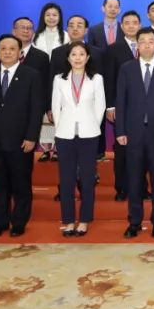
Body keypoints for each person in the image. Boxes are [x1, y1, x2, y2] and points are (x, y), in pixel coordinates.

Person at [0, 34, 45, 238]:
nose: (7, 52)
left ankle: (19, 222)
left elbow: (35, 108)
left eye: (12, 49)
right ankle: (0, 222)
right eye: (3, 49)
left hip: (21, 140)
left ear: (20, 53)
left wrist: (32, 136)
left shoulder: (31, 75)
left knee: (21, 183)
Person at [116, 27, 154, 239]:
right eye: (142, 41)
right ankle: (134, 222)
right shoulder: (127, 68)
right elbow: (121, 102)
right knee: (134, 179)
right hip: (133, 133)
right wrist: (120, 130)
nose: (146, 45)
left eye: (151, 41)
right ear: (137, 45)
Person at [51, 42, 105, 237]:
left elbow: (100, 107)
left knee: (87, 178)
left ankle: (84, 220)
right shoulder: (59, 79)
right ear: (68, 58)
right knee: (66, 179)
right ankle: (68, 221)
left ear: (88, 57)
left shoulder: (96, 79)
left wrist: (91, 125)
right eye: (74, 54)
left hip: (89, 134)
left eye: (82, 54)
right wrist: (61, 127)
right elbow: (55, 107)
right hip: (65, 134)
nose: (78, 57)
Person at [104, 10, 142, 201]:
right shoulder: (113, 49)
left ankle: (142, 188)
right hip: (122, 107)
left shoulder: (149, 46)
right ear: (121, 26)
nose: (131, 26)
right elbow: (109, 79)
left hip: (145, 109)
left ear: (140, 25)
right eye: (126, 23)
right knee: (122, 149)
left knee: (144, 149)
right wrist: (110, 106)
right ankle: (122, 188)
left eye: (135, 23)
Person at [88, 0, 121, 161]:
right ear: (103, 8)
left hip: (120, 76)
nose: (113, 9)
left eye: (116, 7)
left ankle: (120, 148)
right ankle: (99, 151)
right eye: (110, 6)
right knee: (99, 114)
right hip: (100, 76)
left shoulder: (126, 28)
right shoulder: (94, 30)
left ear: (119, 10)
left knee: (121, 114)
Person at [32, 3, 65, 162]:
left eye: (55, 15)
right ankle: (45, 148)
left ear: (59, 18)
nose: (51, 18)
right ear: (43, 17)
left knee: (59, 113)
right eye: (48, 15)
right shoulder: (35, 37)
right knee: (43, 113)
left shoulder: (66, 36)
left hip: (60, 79)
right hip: (39, 79)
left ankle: (58, 147)